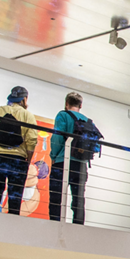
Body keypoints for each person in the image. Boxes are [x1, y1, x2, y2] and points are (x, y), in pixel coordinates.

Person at [0, 85, 39, 215]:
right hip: (18, 161)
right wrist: (27, 161)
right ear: (24, 99)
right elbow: (32, 141)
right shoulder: (28, 116)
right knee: (15, 200)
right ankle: (11, 230)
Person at [48, 92, 92, 224]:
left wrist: (53, 156)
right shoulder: (87, 121)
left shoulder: (63, 115)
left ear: (67, 103)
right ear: (81, 105)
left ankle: (54, 225)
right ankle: (78, 227)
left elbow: (57, 138)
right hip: (81, 165)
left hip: (63, 162)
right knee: (79, 199)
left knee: (56, 197)